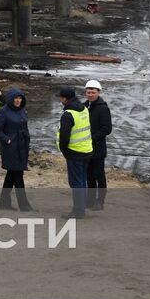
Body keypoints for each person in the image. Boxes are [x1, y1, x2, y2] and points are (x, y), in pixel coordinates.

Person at [0, 87, 34, 211]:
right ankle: (24, 205)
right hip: (11, 148)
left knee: (11, 175)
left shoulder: (22, 110)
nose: (18, 100)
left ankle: (4, 203)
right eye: (16, 98)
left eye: (20, 98)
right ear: (11, 99)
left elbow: (24, 126)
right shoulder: (3, 111)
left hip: (22, 146)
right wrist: (7, 139)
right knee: (18, 175)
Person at [56, 87, 93, 218]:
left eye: (60, 97)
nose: (59, 100)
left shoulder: (68, 115)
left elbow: (64, 137)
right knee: (82, 181)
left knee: (76, 183)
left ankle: (78, 211)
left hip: (75, 152)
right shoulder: (84, 109)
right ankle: (81, 209)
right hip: (87, 150)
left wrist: (64, 151)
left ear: (65, 99)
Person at [84, 79, 112, 210]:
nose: (90, 94)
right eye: (88, 92)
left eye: (93, 92)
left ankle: (100, 202)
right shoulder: (84, 107)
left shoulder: (103, 108)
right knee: (89, 176)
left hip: (98, 149)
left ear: (98, 92)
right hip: (86, 148)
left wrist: (92, 139)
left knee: (99, 176)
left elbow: (107, 128)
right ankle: (90, 201)